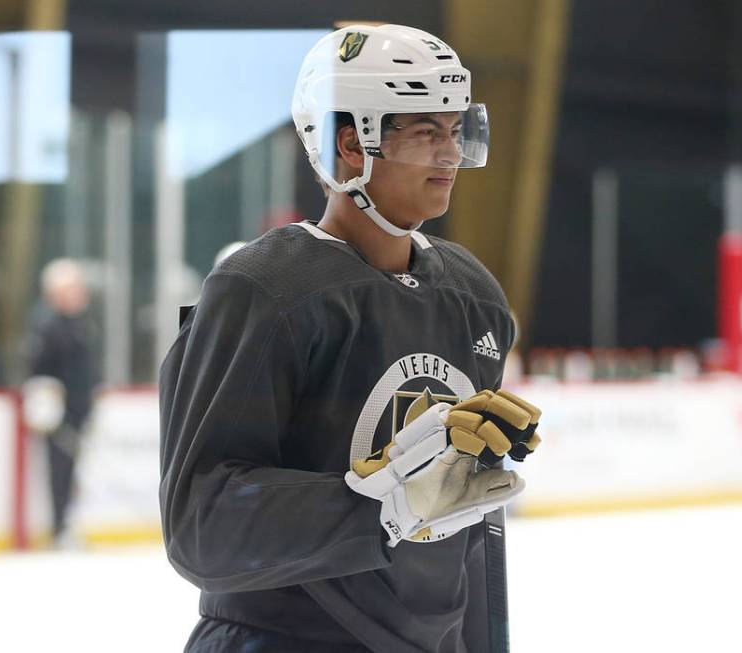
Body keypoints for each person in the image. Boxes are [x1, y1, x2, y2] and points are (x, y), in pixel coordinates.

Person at [159, 24, 542, 653]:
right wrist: (382, 505)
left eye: (456, 132)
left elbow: (467, 526)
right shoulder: (265, 290)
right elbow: (201, 525)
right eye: (425, 134)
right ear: (352, 143)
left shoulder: (473, 295)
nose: (450, 156)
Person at [26, 258, 98, 546]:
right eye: (73, 288)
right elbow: (38, 373)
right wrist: (48, 411)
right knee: (59, 470)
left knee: (74, 470)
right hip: (59, 416)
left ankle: (69, 522)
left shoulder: (82, 323)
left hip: (81, 410)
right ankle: (59, 527)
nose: (80, 293)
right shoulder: (47, 326)